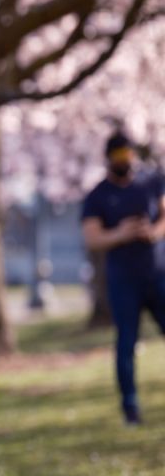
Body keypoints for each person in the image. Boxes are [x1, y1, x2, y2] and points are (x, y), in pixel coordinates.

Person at [80, 131, 165, 426]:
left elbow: (164, 216)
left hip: (158, 276)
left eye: (127, 154)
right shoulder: (98, 196)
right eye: (118, 156)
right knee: (126, 344)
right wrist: (121, 233)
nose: (124, 160)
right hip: (123, 282)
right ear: (108, 159)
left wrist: (153, 231)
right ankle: (130, 407)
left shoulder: (151, 183)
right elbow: (92, 238)